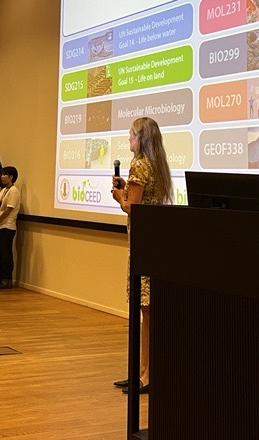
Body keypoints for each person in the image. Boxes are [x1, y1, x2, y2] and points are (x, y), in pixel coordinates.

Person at [110, 116, 173, 395]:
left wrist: (119, 197)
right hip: (156, 240)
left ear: (141, 138)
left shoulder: (139, 164)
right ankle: (143, 371)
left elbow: (132, 208)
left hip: (142, 242)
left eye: (131, 135)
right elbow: (148, 200)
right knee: (148, 311)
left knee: (146, 309)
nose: (128, 140)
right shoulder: (158, 165)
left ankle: (146, 375)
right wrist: (127, 189)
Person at [0, 165, 21, 289]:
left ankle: (7, 279)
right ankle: (0, 277)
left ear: (11, 177)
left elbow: (9, 209)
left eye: (5, 175)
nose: (2, 177)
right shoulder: (3, 190)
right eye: (2, 174)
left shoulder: (14, 191)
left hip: (7, 227)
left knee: (6, 254)